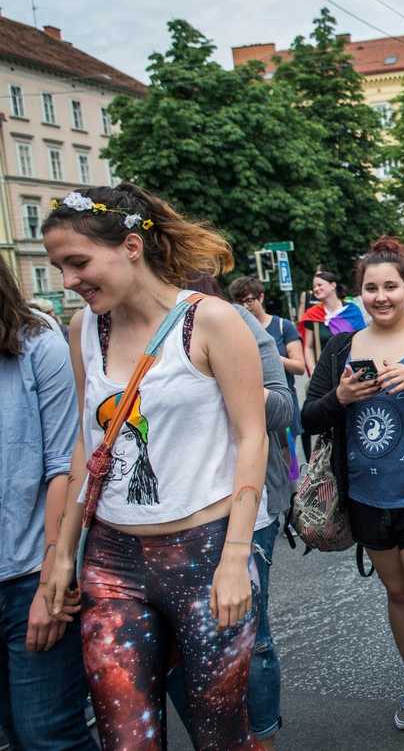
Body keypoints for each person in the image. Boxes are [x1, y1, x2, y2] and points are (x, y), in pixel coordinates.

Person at [41, 184, 267, 749]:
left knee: (221, 732)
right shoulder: (84, 330)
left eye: (78, 263)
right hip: (112, 560)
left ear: (132, 247)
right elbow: (84, 445)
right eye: (59, 267)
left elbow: (252, 436)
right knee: (127, 737)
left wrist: (236, 557)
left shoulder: (210, 320)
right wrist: (62, 553)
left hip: (205, 552)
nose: (68, 281)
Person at [301, 237, 404, 745]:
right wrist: (342, 395)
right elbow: (310, 416)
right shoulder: (341, 347)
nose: (381, 296)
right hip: (365, 496)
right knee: (397, 594)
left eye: (391, 286)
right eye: (371, 288)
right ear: (360, 294)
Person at [168, 276, 295, 748]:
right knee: (178, 648)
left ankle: (260, 739)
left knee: (249, 638)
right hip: (164, 520)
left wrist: (225, 374)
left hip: (245, 512)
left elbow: (282, 408)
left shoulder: (232, 321)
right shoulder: (114, 330)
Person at [0, 257, 98, 751]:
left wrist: (51, 578)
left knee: (47, 735)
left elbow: (66, 461)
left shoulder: (36, 340)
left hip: (26, 575)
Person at [232, 276, 305, 479]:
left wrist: (270, 356)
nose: (245, 307)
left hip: (282, 405)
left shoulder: (283, 326)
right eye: (239, 302)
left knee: (289, 471)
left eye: (249, 300)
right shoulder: (236, 331)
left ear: (261, 297)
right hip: (253, 410)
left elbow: (299, 367)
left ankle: (292, 504)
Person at [300, 270, 366, 376]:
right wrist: (313, 371)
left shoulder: (352, 311)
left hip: (351, 370)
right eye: (314, 287)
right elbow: (308, 347)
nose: (316, 289)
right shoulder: (312, 314)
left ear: (333, 285)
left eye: (319, 285)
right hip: (325, 373)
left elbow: (363, 340)